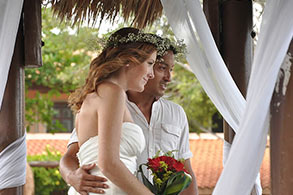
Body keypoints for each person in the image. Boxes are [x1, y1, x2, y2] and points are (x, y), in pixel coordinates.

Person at [60, 36, 198, 195]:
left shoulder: (175, 113)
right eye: (155, 66)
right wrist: (71, 176)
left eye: (171, 69)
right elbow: (104, 162)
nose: (167, 77)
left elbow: (185, 170)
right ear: (130, 60)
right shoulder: (112, 94)